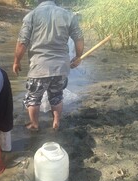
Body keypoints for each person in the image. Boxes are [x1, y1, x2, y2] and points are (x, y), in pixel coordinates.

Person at [13, 0, 84, 131]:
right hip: (61, 67)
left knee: (33, 98)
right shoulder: (68, 15)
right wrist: (78, 56)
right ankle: (56, 122)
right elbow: (79, 38)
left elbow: (22, 42)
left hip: (39, 67)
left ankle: (34, 124)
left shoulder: (31, 16)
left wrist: (17, 61)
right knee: (56, 96)